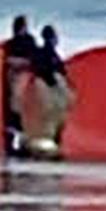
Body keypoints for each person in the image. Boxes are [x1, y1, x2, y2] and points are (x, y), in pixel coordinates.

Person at [25, 25, 73, 157]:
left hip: (51, 89)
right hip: (49, 90)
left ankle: (52, 142)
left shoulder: (49, 54)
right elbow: (49, 72)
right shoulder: (48, 54)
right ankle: (50, 143)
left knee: (53, 119)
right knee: (51, 118)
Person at [2, 15, 38, 153]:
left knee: (19, 104)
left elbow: (32, 59)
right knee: (14, 104)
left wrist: (18, 62)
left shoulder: (28, 42)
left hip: (23, 76)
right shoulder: (11, 43)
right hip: (15, 76)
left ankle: (20, 134)